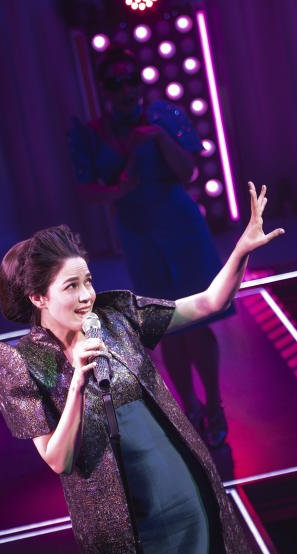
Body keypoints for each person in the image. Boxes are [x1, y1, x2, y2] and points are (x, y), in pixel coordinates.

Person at [0, 182, 282, 554]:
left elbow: (208, 303)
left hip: (176, 488)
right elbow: (57, 459)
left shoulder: (117, 316)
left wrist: (240, 249)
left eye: (88, 281)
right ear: (39, 299)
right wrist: (78, 382)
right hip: (117, 517)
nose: (86, 295)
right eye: (72, 286)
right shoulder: (19, 362)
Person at [68, 47, 229, 447]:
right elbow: (87, 193)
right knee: (165, 326)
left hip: (180, 226)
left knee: (195, 319)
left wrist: (157, 137)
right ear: (104, 90)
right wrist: (120, 188)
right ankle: (188, 409)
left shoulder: (163, 115)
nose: (126, 89)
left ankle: (214, 405)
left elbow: (189, 171)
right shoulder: (90, 132)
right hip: (138, 233)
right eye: (115, 82)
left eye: (131, 80)